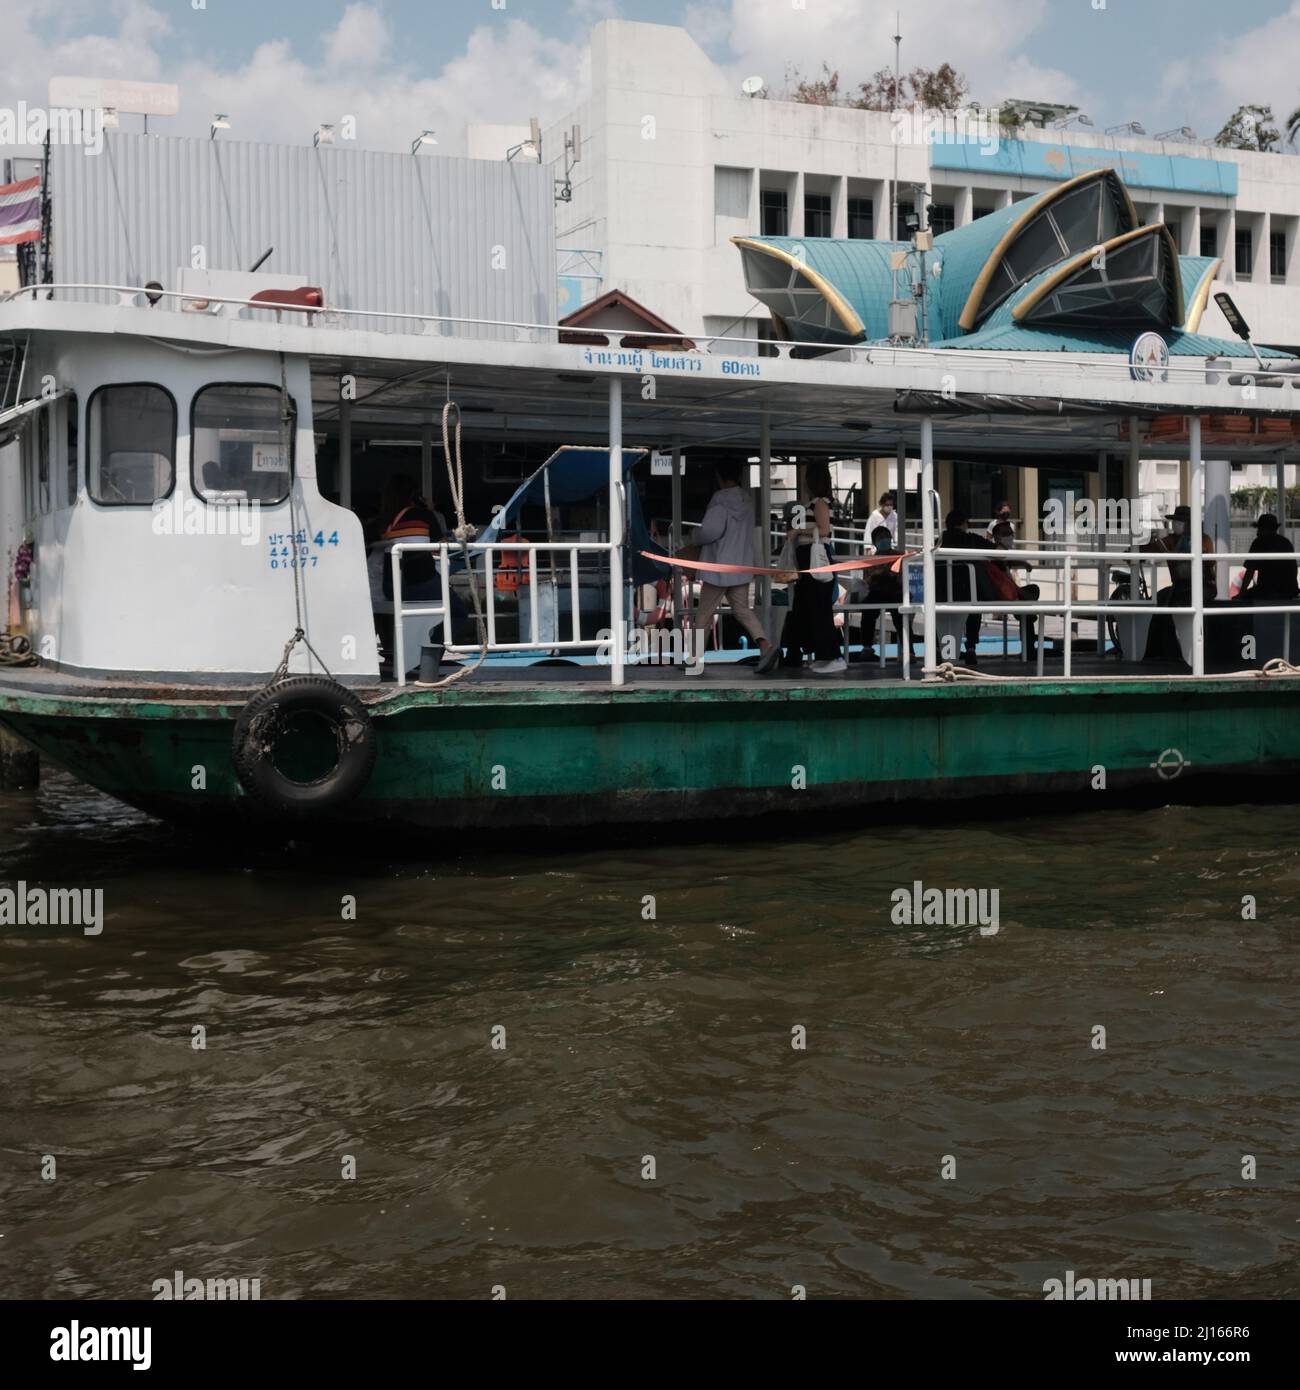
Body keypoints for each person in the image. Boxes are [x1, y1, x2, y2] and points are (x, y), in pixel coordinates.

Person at [687, 460, 780, 675]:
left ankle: (694, 658)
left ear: (719, 476)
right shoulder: (746, 500)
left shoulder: (719, 501)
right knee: (742, 610)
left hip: (718, 567)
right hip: (740, 566)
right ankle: (765, 644)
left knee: (704, 613)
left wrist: (694, 537)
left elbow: (710, 532)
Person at [373, 473, 467, 659]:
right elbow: (442, 543)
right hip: (418, 581)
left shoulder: (384, 520)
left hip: (391, 585)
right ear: (414, 495)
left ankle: (401, 656)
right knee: (458, 613)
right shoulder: (423, 515)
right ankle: (429, 659)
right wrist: (433, 511)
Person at [778, 463, 845, 673]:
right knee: (806, 609)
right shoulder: (815, 504)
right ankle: (807, 652)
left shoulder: (819, 504)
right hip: (809, 562)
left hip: (815, 561)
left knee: (820, 610)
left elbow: (824, 530)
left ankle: (832, 655)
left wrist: (799, 533)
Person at [1142, 504, 1215, 663]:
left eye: (1179, 522)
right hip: (1189, 587)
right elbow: (1149, 549)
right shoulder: (1174, 540)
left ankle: (1174, 652)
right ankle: (1166, 651)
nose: (1175, 525)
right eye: (1175, 522)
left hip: (1198, 587)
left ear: (1188, 524)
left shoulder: (1199, 540)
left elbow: (1210, 564)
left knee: (1172, 606)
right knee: (1161, 601)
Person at [938, 511, 997, 665]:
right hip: (967, 589)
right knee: (974, 612)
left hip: (941, 591)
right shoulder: (971, 539)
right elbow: (995, 550)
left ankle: (943, 652)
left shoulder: (939, 541)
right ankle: (970, 648)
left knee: (943, 622)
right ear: (964, 523)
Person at [856, 525, 913, 661]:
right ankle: (867, 648)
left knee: (901, 616)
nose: (885, 540)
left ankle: (909, 651)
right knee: (867, 613)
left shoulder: (899, 556)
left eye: (887, 537)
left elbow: (901, 576)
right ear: (875, 542)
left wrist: (886, 574)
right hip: (877, 592)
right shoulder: (870, 560)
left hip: (895, 591)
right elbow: (867, 581)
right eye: (881, 538)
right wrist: (877, 575)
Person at [989, 518, 1040, 655]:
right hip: (1001, 594)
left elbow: (1008, 560)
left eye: (1011, 533)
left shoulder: (1004, 553)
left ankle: (1028, 645)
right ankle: (1029, 648)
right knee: (1030, 600)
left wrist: (1022, 563)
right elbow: (1003, 558)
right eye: (1006, 533)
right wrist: (1023, 562)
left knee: (1031, 594)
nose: (1010, 537)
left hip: (1008, 592)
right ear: (997, 537)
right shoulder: (996, 552)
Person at [1234, 513, 1298, 604]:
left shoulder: (1259, 543)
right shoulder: (1286, 542)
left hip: (1267, 590)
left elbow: (1249, 572)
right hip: (1289, 590)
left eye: (1259, 528)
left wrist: (1241, 594)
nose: (1257, 532)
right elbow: (1294, 569)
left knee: (1242, 600)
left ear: (1263, 528)